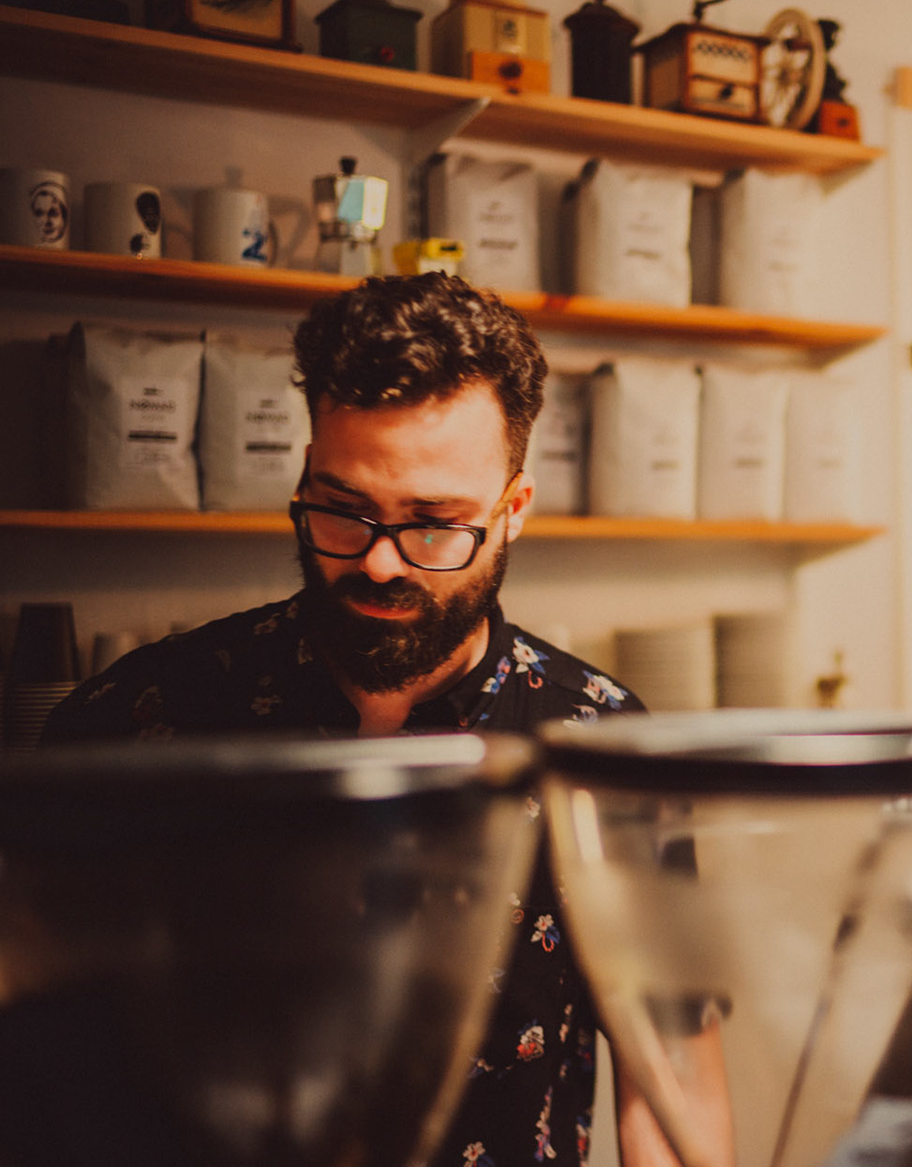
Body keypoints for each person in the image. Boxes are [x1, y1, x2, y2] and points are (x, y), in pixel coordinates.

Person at [43, 274, 635, 1167]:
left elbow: (669, 1069)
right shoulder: (131, 726)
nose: (382, 561)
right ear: (305, 477)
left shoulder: (604, 745)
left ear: (513, 511)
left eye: (435, 523)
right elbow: (52, 1085)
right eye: (344, 510)